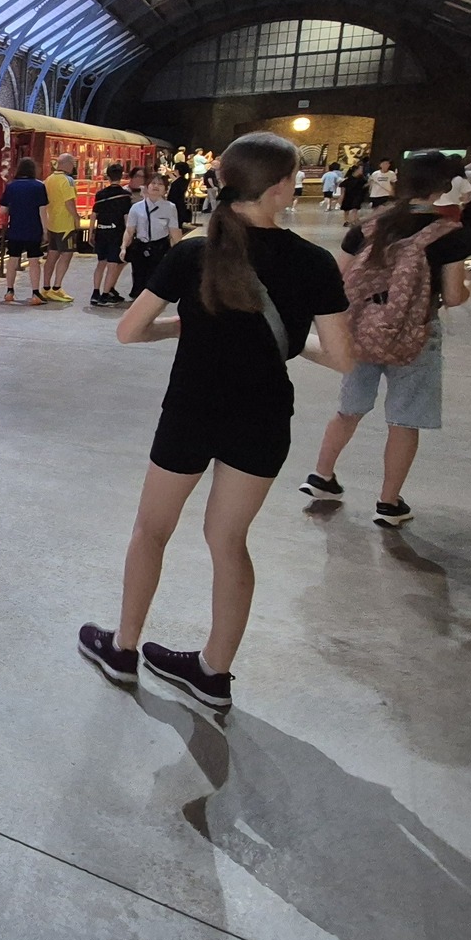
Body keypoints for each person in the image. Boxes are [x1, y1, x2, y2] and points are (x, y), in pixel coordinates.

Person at [79, 133, 353, 712]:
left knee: (151, 531)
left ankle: (123, 648)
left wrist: (187, 326)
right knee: (229, 542)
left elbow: (128, 330)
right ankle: (212, 673)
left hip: (191, 409)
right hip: (263, 417)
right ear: (279, 188)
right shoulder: (314, 262)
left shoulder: (193, 254)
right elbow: (342, 357)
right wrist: (284, 343)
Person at [298, 154, 471, 527]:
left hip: (362, 331)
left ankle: (322, 476)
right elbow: (455, 296)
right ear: (444, 187)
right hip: (415, 335)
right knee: (404, 420)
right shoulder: (449, 234)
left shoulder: (368, 226)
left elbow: (336, 278)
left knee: (349, 409)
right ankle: (388, 503)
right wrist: (467, 287)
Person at [0, 156, 49, 304]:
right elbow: (42, 211)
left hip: (15, 229)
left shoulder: (11, 186)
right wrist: (45, 230)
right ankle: (35, 294)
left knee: (13, 259)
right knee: (34, 261)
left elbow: (2, 210)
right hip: (33, 229)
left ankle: (9, 291)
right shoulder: (39, 186)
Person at [122, 176, 182, 299]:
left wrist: (179, 251)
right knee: (138, 278)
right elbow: (129, 230)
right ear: (147, 187)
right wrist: (123, 247)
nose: (156, 186)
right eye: (153, 183)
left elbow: (174, 231)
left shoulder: (170, 207)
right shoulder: (136, 207)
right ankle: (138, 303)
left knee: (156, 279)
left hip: (160, 247)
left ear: (165, 189)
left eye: (160, 184)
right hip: (140, 247)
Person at [39, 152, 79, 303]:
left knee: (52, 255)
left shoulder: (48, 179)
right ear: (67, 164)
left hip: (52, 223)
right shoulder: (68, 180)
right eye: (73, 164)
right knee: (66, 255)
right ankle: (57, 288)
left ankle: (46, 287)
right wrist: (77, 218)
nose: (73, 167)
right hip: (65, 224)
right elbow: (69, 202)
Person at [90, 163, 131, 306]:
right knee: (112, 265)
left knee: (101, 263)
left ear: (107, 176)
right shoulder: (125, 196)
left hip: (102, 231)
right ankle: (105, 295)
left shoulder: (100, 194)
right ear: (122, 176)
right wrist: (128, 236)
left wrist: (91, 232)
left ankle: (95, 293)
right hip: (116, 233)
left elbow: (94, 215)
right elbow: (126, 218)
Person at [339, 160, 370, 225]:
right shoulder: (348, 180)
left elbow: (365, 186)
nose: (362, 171)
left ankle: (354, 220)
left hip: (357, 196)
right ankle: (347, 220)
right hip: (348, 196)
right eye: (360, 169)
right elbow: (343, 189)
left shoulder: (362, 179)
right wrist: (341, 197)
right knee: (347, 209)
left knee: (355, 208)